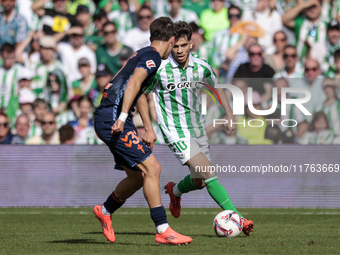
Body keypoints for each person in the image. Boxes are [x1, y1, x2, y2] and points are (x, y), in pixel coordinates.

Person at [146, 21, 254, 235]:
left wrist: (230, 115)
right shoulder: (161, 68)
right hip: (174, 130)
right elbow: (143, 92)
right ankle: (238, 218)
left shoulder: (201, 66)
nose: (179, 51)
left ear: (191, 44)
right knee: (209, 173)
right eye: (175, 46)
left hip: (197, 129)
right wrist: (149, 127)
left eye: (183, 45)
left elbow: (218, 88)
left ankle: (174, 190)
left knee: (200, 181)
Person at [93, 17, 192, 245]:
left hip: (113, 118)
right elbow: (133, 84)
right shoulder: (153, 57)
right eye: (174, 44)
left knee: (137, 177)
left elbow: (141, 93)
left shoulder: (144, 53)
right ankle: (163, 229)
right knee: (153, 168)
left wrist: (148, 129)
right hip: (112, 118)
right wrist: (123, 117)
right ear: (171, 40)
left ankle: (105, 210)